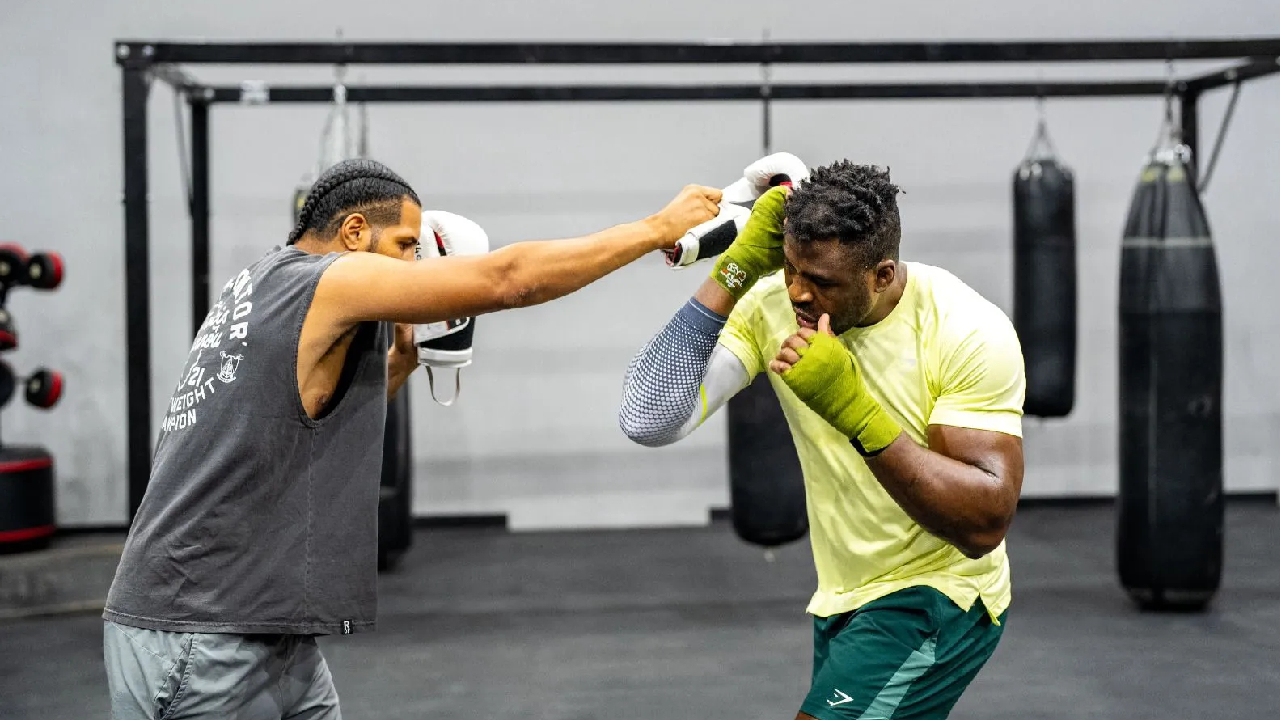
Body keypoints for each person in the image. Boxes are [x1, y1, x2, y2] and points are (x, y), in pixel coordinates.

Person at [102, 158, 722, 719]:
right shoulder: (323, 280)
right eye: (404, 246)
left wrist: (399, 359)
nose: (412, 264)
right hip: (199, 630)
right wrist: (657, 228)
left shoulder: (265, 286)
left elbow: (305, 421)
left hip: (263, 629)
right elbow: (510, 279)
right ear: (352, 233)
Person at [620, 159, 1026, 719]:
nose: (799, 295)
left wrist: (855, 411)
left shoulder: (965, 329)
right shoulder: (773, 304)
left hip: (941, 594)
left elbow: (984, 523)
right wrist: (735, 270)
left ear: (882, 275)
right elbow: (648, 416)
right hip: (845, 596)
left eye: (823, 282)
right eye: (790, 270)